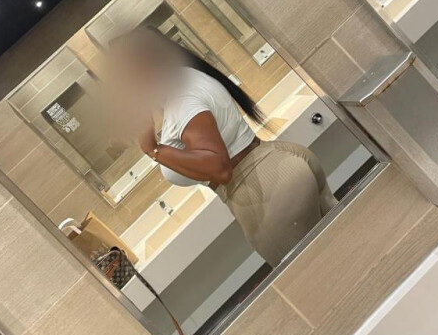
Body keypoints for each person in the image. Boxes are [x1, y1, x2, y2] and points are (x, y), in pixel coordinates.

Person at [112, 27, 337, 267]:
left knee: (313, 274)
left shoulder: (181, 101)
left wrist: (153, 149)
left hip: (265, 193)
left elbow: (219, 168)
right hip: (282, 160)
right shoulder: (190, 77)